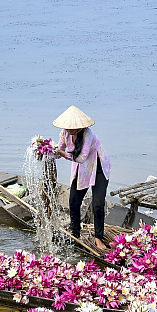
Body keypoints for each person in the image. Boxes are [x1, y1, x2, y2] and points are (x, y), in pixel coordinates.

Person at [53, 105, 111, 250]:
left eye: (72, 127)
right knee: (73, 201)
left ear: (79, 127)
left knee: (98, 204)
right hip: (82, 170)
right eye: (67, 127)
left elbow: (81, 158)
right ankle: (75, 235)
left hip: (98, 168)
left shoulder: (87, 134)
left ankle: (99, 238)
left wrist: (60, 152)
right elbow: (58, 151)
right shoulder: (64, 133)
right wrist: (46, 150)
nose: (69, 129)